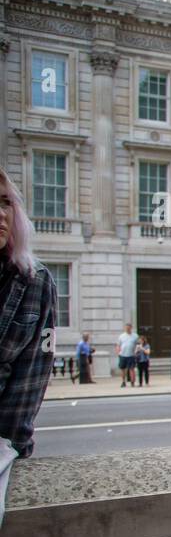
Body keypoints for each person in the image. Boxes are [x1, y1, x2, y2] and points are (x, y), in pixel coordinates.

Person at [0, 165, 59, 477]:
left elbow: (31, 380)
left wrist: (9, 450)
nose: (1, 214)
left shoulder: (35, 283)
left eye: (5, 202)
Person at [117, 322, 138, 388]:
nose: (127, 329)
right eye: (126, 328)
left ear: (131, 328)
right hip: (122, 355)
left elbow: (137, 345)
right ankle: (123, 382)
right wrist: (118, 352)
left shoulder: (135, 336)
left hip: (131, 355)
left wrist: (136, 352)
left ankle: (132, 382)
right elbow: (118, 345)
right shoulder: (121, 336)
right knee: (123, 369)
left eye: (129, 327)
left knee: (132, 369)